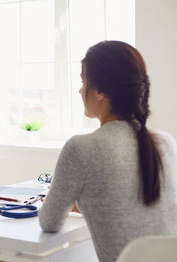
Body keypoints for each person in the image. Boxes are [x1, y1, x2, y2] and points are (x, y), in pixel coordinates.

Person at [38, 41, 177, 262]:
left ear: (100, 91)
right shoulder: (166, 142)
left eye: (83, 81)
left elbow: (49, 222)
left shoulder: (81, 148)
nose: (80, 89)